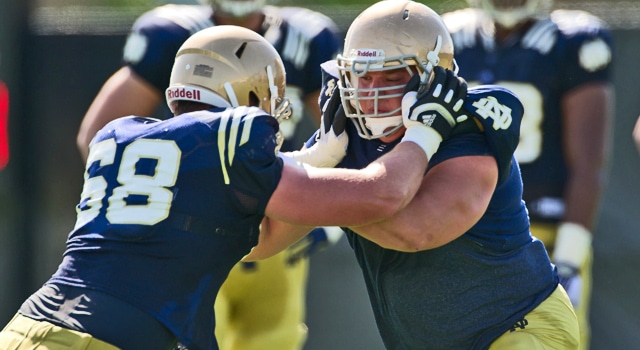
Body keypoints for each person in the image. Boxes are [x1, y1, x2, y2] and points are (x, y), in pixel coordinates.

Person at [0, 25, 454, 350]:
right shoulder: (235, 132)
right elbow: (382, 195)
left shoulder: (119, 136)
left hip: (30, 323)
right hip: (111, 337)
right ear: (252, 98)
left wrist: (323, 154)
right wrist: (425, 130)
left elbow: (243, 215)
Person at [280, 0, 580, 348]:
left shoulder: (470, 128)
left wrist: (304, 186)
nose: (373, 92)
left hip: (515, 326)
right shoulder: (341, 139)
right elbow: (260, 239)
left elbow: (415, 230)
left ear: (434, 77)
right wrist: (309, 163)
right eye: (362, 74)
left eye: (392, 77)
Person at [74, 1, 342, 348]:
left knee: (272, 340)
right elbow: (98, 135)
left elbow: (339, 129)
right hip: (196, 229)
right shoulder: (172, 33)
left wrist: (317, 206)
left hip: (272, 220)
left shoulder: (306, 36)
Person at [442, 1, 613, 348]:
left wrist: (568, 258)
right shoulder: (449, 36)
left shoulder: (574, 40)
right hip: (463, 233)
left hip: (542, 235)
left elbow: (589, 163)